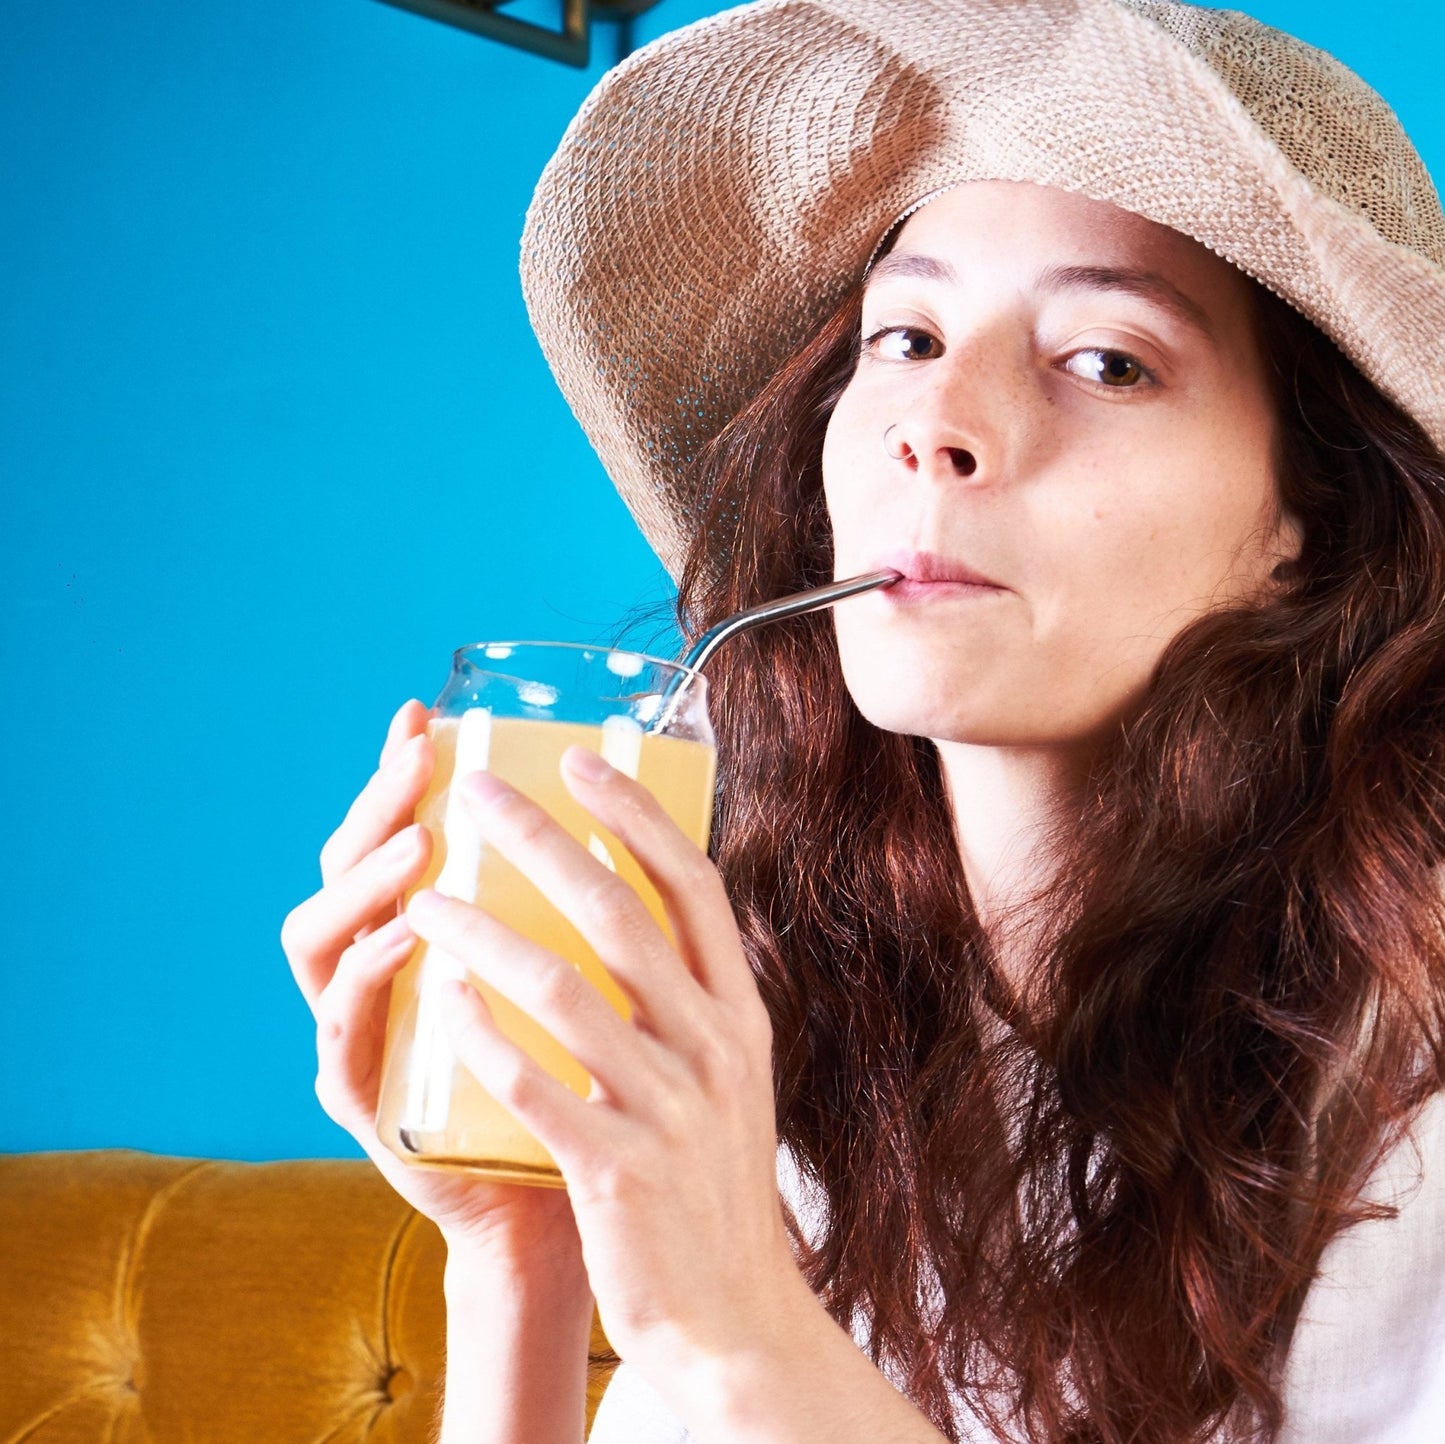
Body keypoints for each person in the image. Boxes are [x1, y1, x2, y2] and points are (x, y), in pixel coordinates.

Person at [281, 0, 1445, 1440]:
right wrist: (515, 1251)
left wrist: (742, 1341)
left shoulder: (1414, 1098)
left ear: (1307, 522)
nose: (932, 420)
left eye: (1104, 359)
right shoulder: (793, 1030)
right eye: (902, 335)